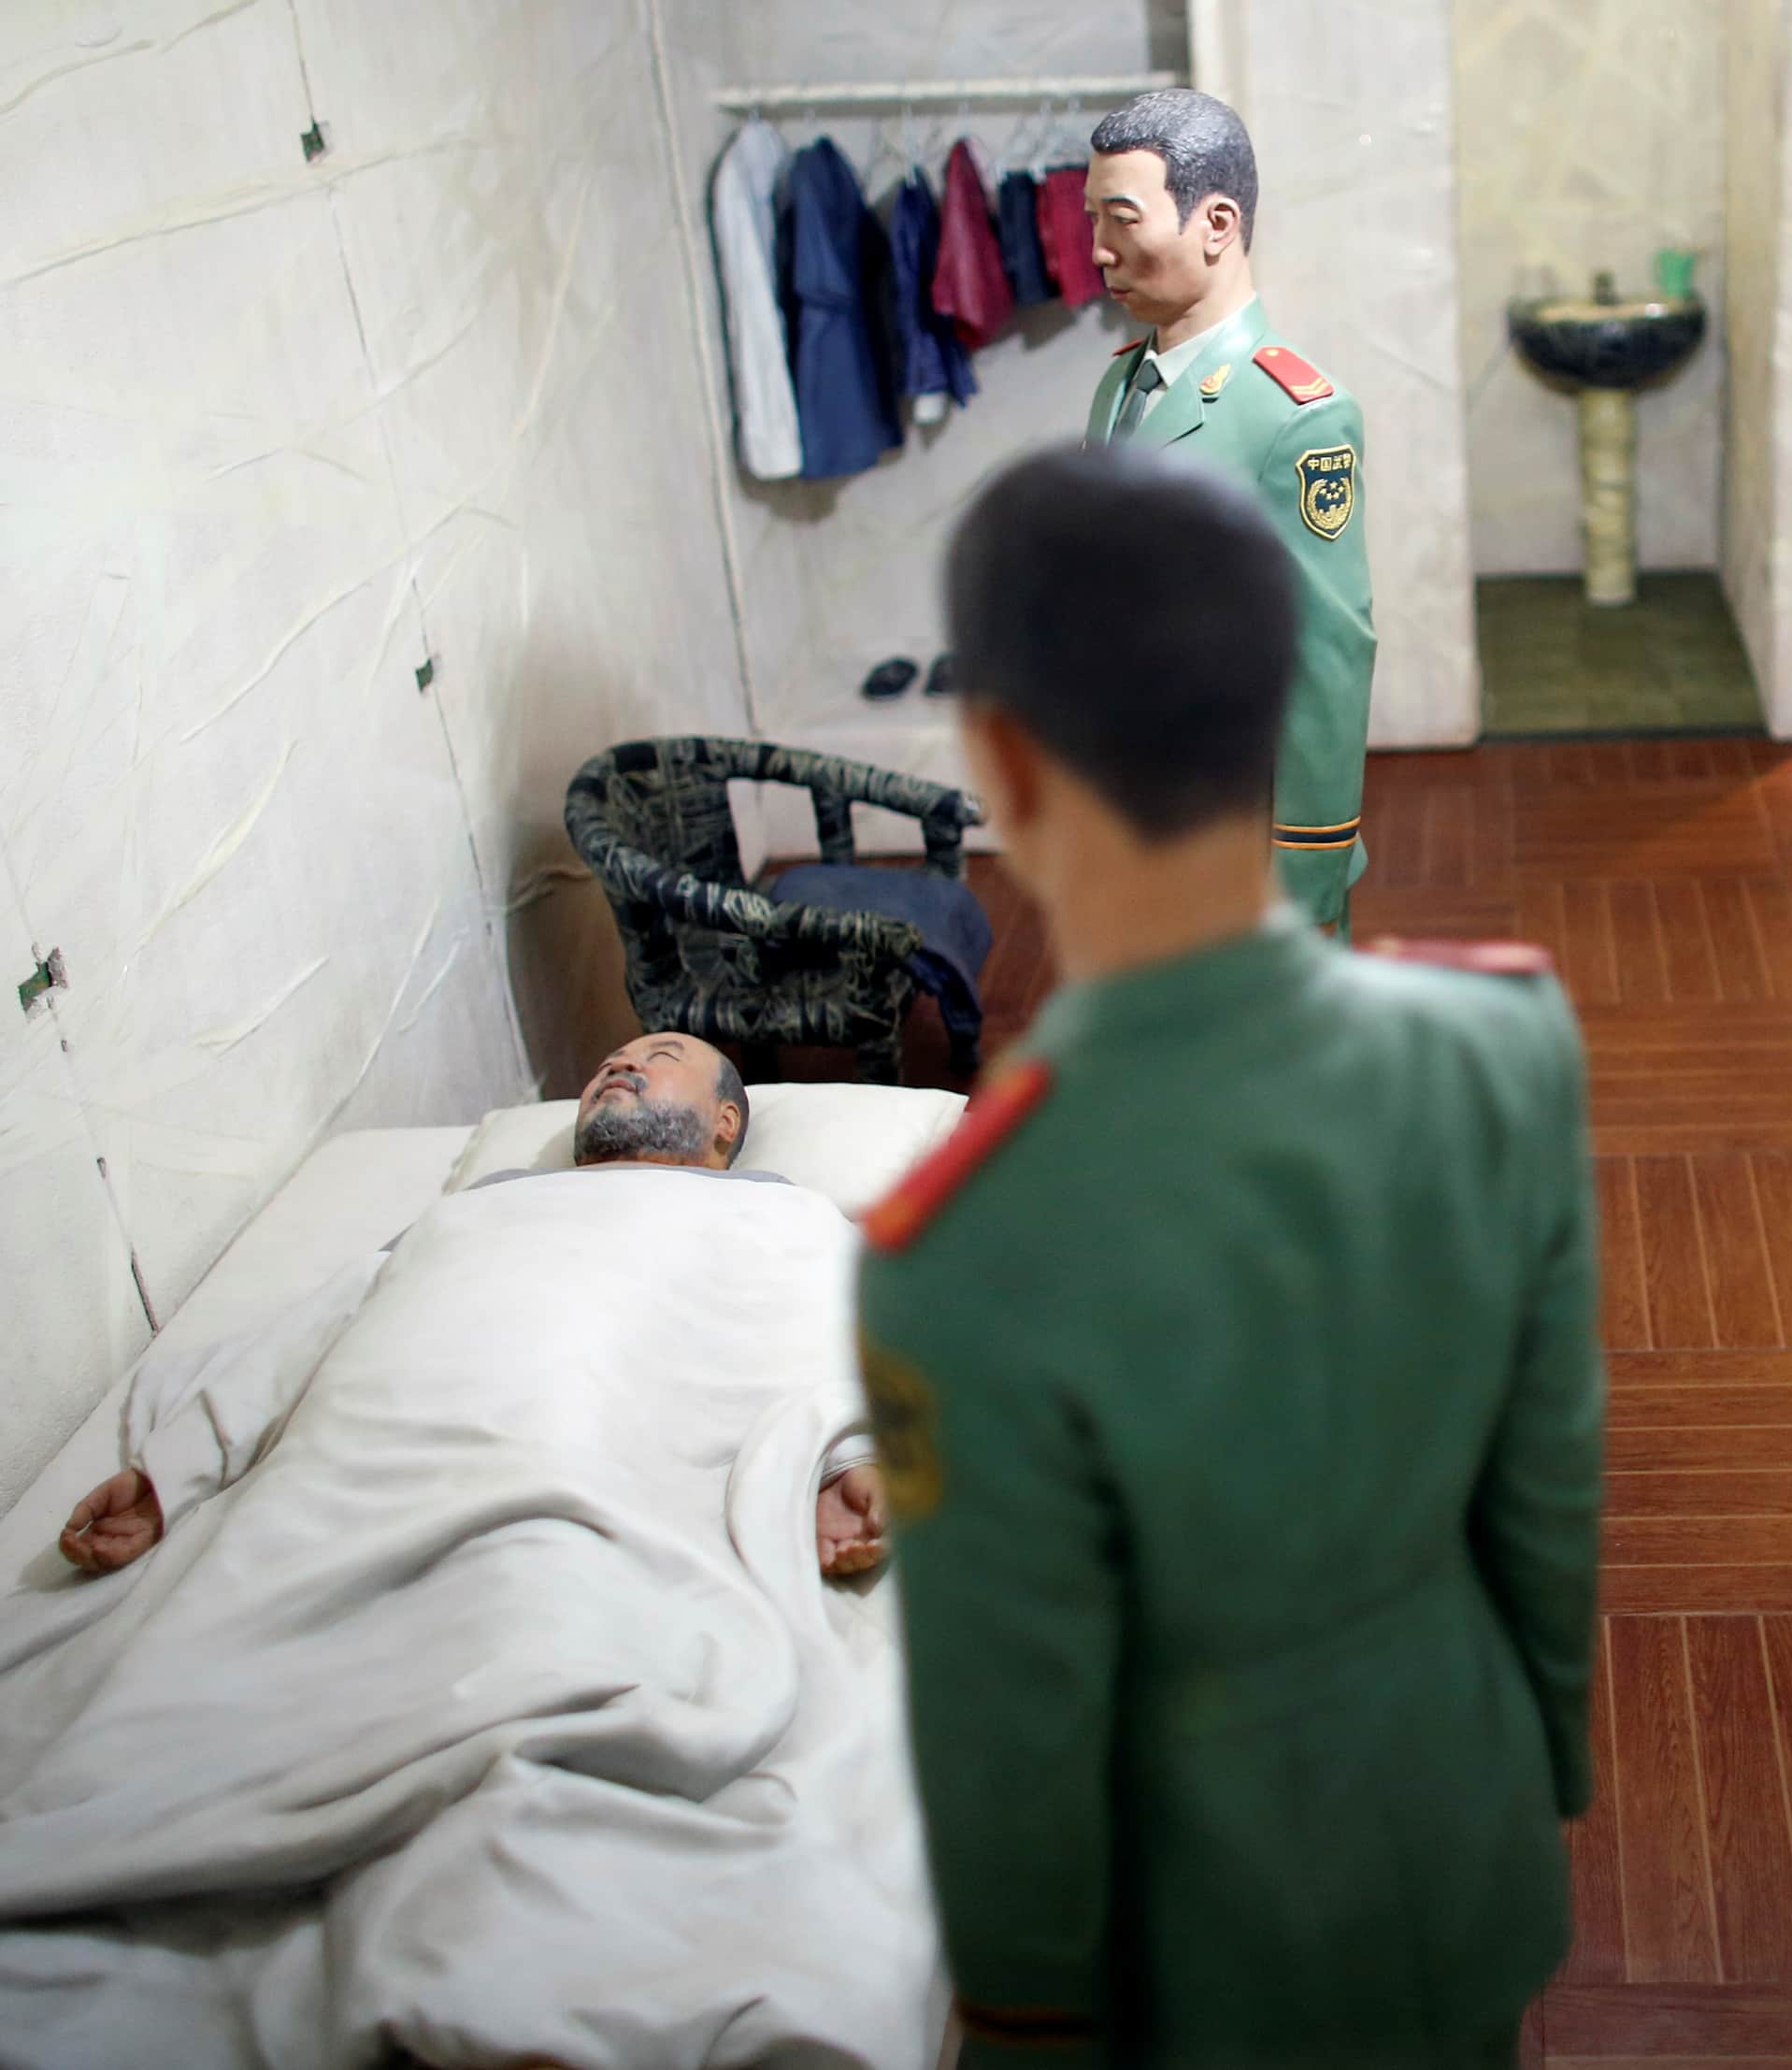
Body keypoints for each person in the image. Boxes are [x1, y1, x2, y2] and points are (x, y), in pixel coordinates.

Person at [857, 443, 1602, 2065]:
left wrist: (1014, 2019)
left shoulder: (961, 1246)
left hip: (1205, 1936)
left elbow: (1008, 1723)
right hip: (1456, 1820)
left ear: (1003, 760)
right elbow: (1547, 1489)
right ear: (1276, 700)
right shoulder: (1500, 1048)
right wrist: (1528, 1767)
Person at [61, 1030, 889, 1584]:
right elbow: (332, 1321)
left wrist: (845, 1459)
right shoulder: (482, 1204)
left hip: (608, 1487)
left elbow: (839, 1320)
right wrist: (176, 1471)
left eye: (659, 1056)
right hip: (374, 1489)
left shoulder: (777, 1208)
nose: (618, 1066)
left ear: (725, 1123)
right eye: (608, 1062)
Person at [1082, 87, 1377, 938]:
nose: (1099, 252)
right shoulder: (1119, 385)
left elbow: (1330, 659)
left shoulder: (1295, 415)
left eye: (1123, 219)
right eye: (1093, 218)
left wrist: (1308, 872)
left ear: (1216, 224)